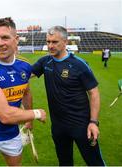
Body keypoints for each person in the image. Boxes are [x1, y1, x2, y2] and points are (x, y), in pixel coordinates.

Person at [0, 17, 46, 166]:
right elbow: (5, 115)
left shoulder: (24, 65)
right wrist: (35, 114)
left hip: (12, 134)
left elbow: (26, 92)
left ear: (16, 39)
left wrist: (29, 120)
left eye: (5, 37)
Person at [32, 26, 105, 166]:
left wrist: (93, 122)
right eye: (48, 42)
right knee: (64, 163)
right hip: (58, 126)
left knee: (95, 162)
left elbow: (94, 93)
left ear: (65, 42)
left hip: (82, 125)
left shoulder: (79, 65)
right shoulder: (45, 62)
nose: (50, 46)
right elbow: (25, 76)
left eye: (54, 42)